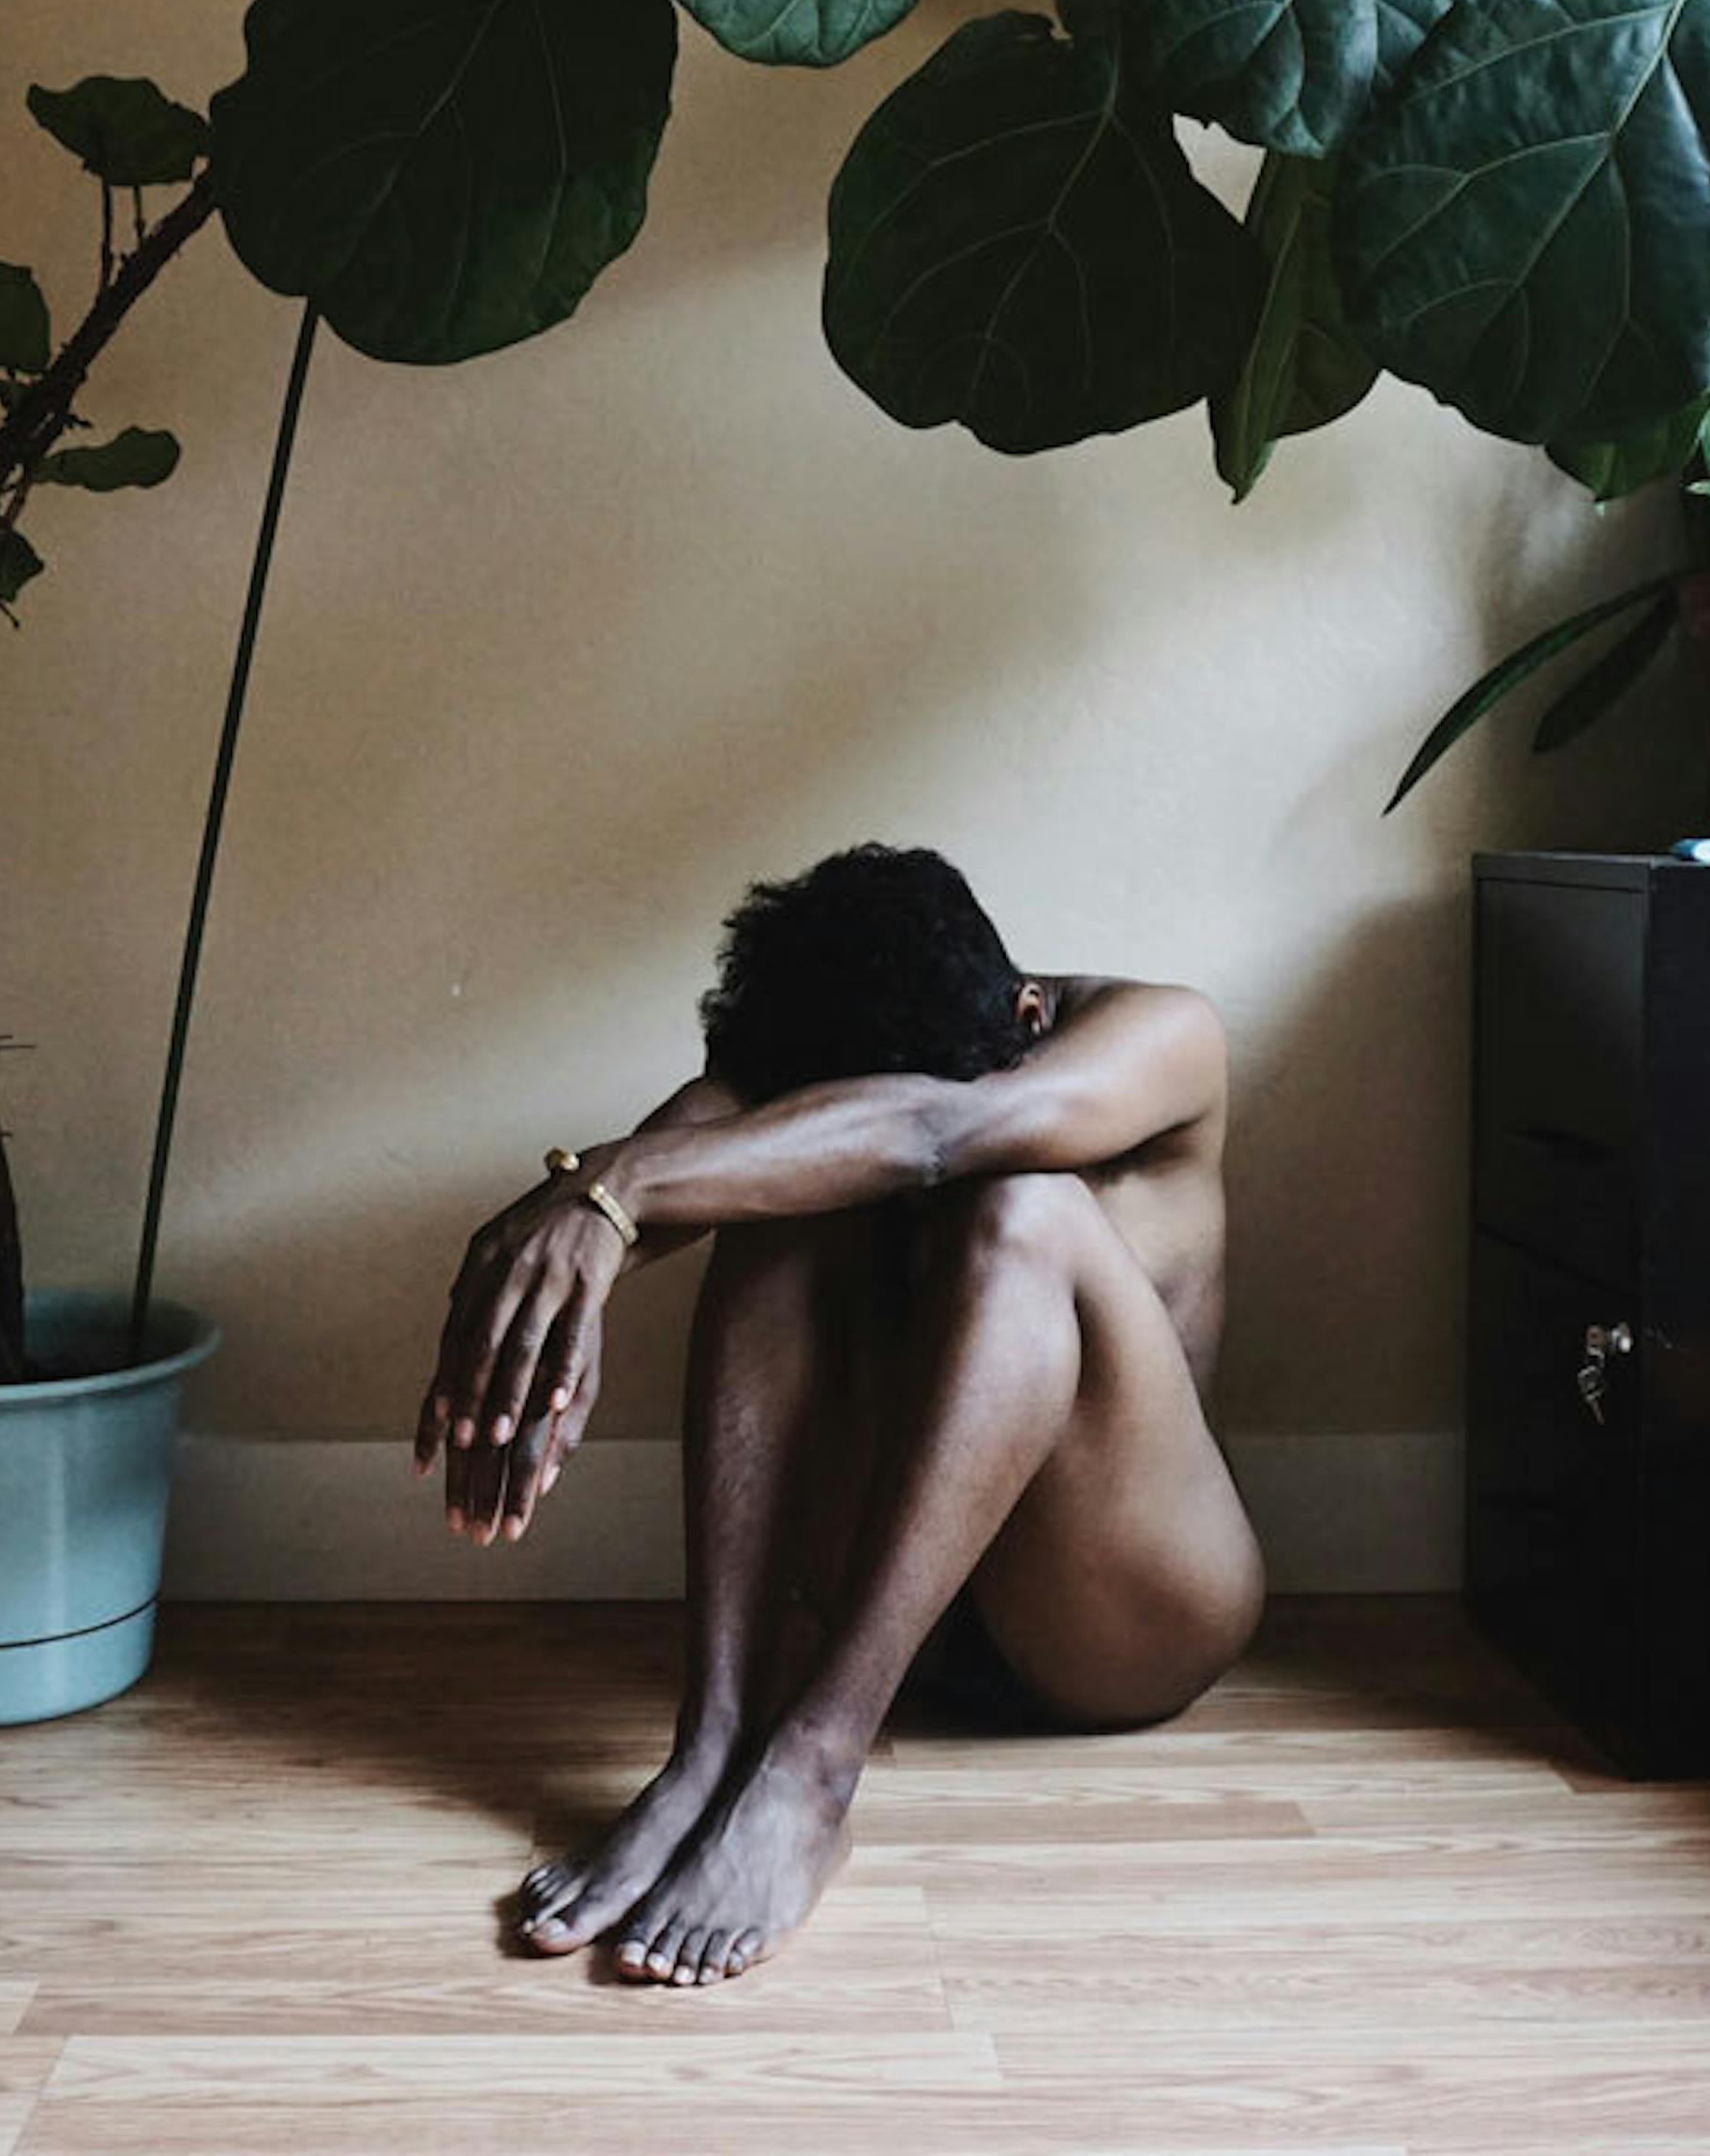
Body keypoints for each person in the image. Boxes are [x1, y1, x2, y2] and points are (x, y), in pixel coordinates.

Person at [417, 844, 1262, 1988]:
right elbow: (682, 1154)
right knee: (772, 1190)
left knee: (1020, 1206)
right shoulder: (827, 1030)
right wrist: (579, 1238)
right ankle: (711, 1746)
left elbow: (931, 1132)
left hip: (1121, 1618)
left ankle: (813, 1769)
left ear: (1026, 1015)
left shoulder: (1162, 1033)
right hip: (907, 1609)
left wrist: (615, 1192)